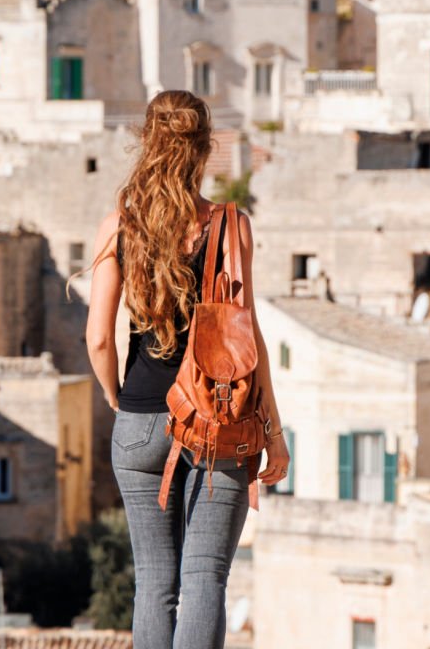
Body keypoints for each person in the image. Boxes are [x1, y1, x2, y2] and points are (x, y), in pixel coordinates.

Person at [85, 90, 288, 649]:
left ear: (147, 144)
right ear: (204, 150)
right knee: (203, 580)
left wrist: (118, 399)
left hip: (139, 421)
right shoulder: (228, 226)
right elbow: (248, 339)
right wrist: (273, 430)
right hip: (216, 422)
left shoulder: (119, 226)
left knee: (154, 583)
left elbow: (99, 337)